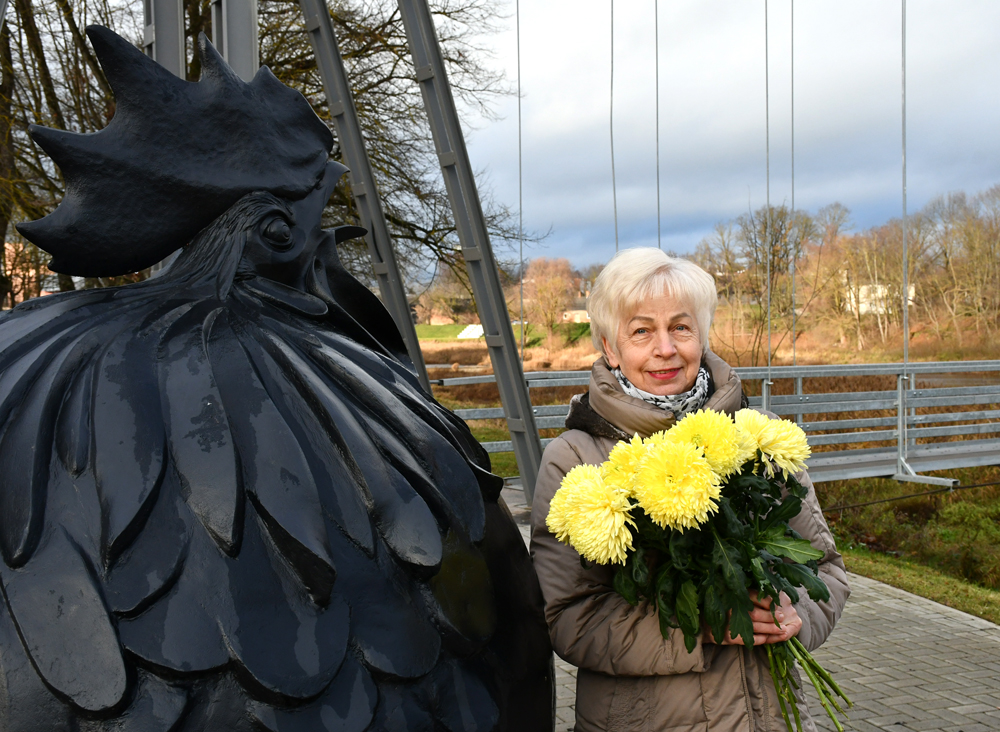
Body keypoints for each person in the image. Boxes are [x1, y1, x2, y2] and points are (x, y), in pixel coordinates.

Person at [529, 248, 849, 732]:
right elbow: (570, 617)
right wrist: (700, 626)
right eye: (641, 331)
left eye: (681, 327)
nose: (665, 348)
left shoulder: (760, 439)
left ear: (701, 336)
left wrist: (796, 613)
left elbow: (826, 569)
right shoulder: (574, 457)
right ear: (610, 348)